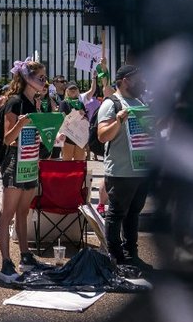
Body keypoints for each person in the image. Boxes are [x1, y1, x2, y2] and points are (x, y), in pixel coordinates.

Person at [95, 64, 153, 268]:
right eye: (139, 77)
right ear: (126, 80)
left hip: (140, 169)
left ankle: (131, 255)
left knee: (133, 213)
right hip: (120, 171)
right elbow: (102, 136)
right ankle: (116, 257)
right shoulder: (112, 104)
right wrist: (118, 121)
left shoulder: (139, 101)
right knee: (117, 213)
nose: (143, 82)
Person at [0, 58, 49, 283]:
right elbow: (8, 139)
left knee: (23, 212)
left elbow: (35, 135)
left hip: (30, 161)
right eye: (41, 78)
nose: (45, 82)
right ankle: (6, 262)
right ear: (28, 78)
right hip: (14, 162)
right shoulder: (15, 102)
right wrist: (21, 124)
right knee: (7, 213)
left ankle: (25, 256)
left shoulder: (35, 102)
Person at [58, 82, 88, 161]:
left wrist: (84, 116)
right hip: (68, 135)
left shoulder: (80, 103)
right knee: (67, 159)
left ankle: (77, 174)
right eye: (71, 89)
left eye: (75, 89)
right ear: (67, 91)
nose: (73, 90)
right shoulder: (64, 103)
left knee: (79, 159)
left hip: (79, 135)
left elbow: (86, 118)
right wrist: (75, 115)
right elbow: (61, 118)